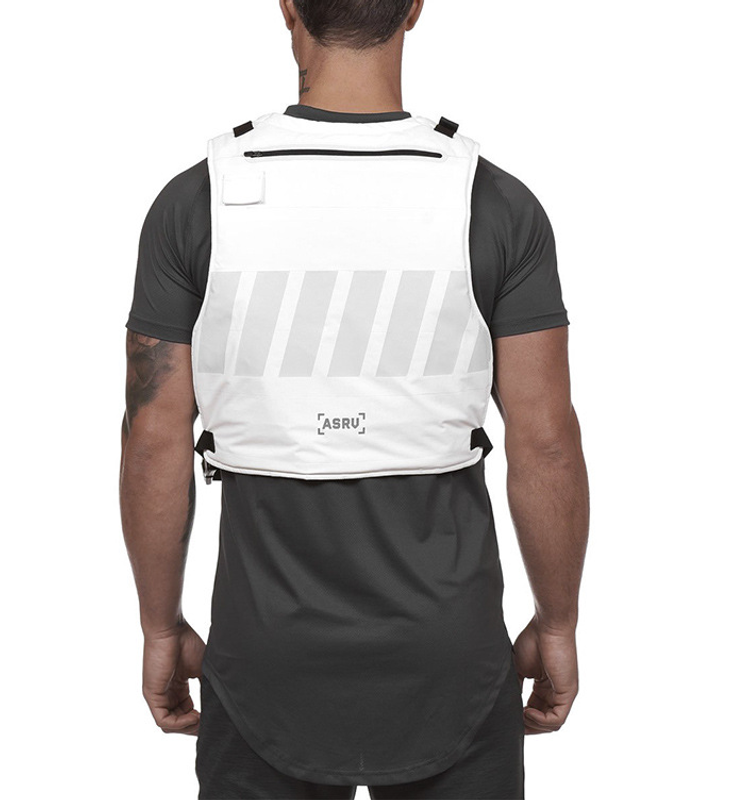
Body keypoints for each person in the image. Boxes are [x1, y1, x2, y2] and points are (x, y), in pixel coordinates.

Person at [120, 1, 590, 797]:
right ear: (415, 8)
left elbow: (152, 439)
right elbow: (546, 443)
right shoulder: (494, 203)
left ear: (288, 6)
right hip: (450, 657)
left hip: (264, 656)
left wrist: (159, 628)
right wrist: (558, 623)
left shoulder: (196, 201)